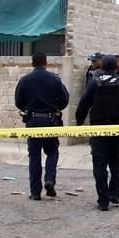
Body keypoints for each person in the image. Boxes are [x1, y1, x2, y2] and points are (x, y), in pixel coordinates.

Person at [75, 54, 119, 211]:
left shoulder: (95, 82)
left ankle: (103, 200)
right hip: (118, 128)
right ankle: (114, 194)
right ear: (117, 67)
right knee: (116, 162)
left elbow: (83, 103)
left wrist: (79, 121)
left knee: (100, 165)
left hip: (99, 129)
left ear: (102, 67)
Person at [15, 52, 69, 200]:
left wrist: (30, 107)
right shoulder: (55, 79)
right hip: (50, 121)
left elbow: (18, 102)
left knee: (34, 156)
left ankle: (35, 192)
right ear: (46, 62)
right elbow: (65, 100)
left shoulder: (25, 80)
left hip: (32, 121)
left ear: (32, 63)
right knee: (52, 151)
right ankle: (49, 179)